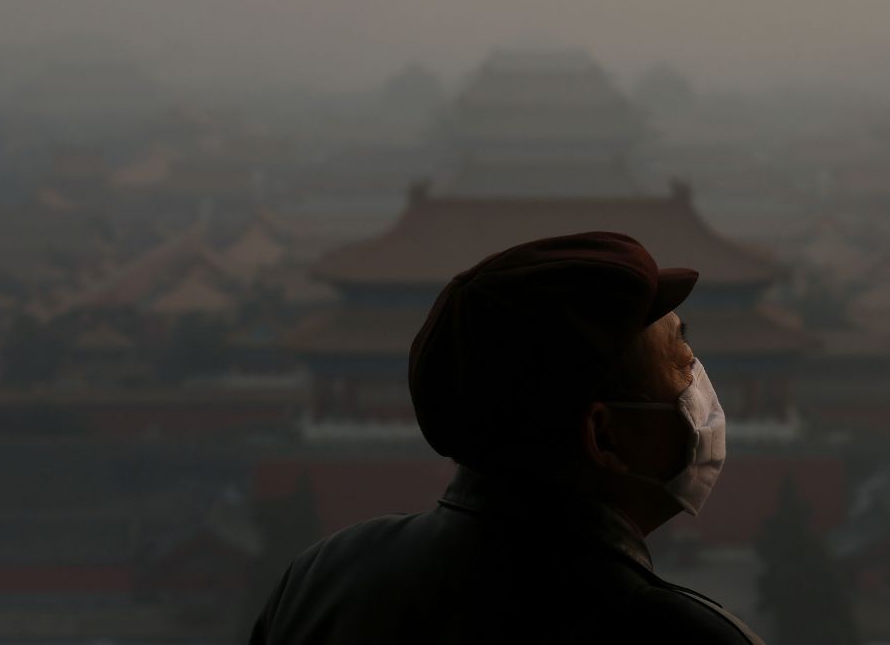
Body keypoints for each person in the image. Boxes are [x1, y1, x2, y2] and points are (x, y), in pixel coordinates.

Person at [249, 231, 765, 644]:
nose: (698, 379)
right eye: (682, 359)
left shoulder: (321, 580)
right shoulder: (680, 636)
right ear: (603, 435)